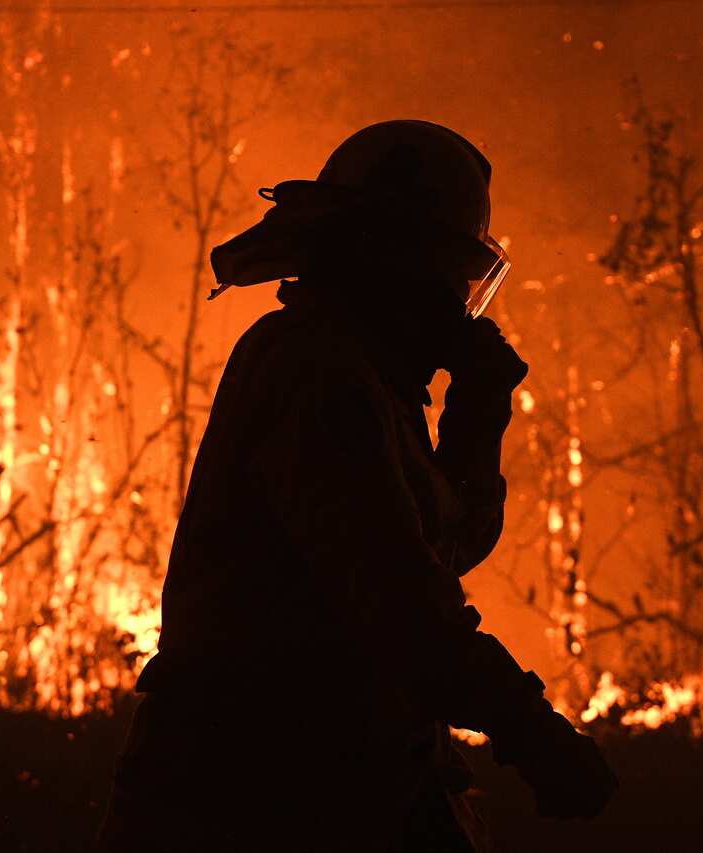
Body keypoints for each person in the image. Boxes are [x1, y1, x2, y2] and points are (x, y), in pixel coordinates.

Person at [100, 120, 616, 852]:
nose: (455, 302)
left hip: (330, 778)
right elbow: (404, 603)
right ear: (392, 258)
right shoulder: (315, 375)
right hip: (253, 790)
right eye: (445, 272)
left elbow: (441, 548)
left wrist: (477, 412)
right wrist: (534, 733)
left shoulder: (364, 379)